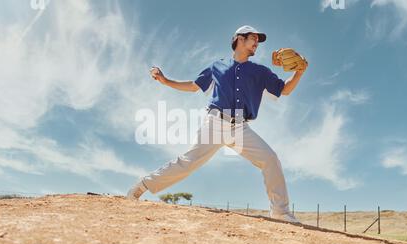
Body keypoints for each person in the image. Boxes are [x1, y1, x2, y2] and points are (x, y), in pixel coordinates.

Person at [127, 25, 306, 223]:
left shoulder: (260, 71)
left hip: (240, 128)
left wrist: (298, 72)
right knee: (188, 162)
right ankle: (141, 186)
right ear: (239, 39)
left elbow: (285, 90)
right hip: (214, 123)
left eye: (258, 39)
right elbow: (193, 86)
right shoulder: (217, 66)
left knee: (271, 159)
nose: (257, 42)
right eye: (253, 38)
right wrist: (165, 80)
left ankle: (280, 212)